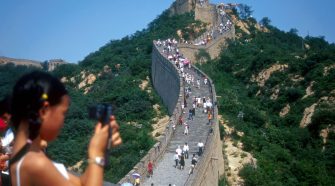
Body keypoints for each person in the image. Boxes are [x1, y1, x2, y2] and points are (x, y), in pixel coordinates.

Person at [9, 71, 122, 186]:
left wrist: (102, 147)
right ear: (44, 111)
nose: (63, 121)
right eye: (64, 113)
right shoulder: (35, 164)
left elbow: (80, 183)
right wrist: (96, 153)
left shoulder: (26, 155)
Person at [0, 95, 13, 186]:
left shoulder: (16, 132)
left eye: (5, 118)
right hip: (5, 173)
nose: (4, 121)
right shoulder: (8, 131)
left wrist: (3, 158)